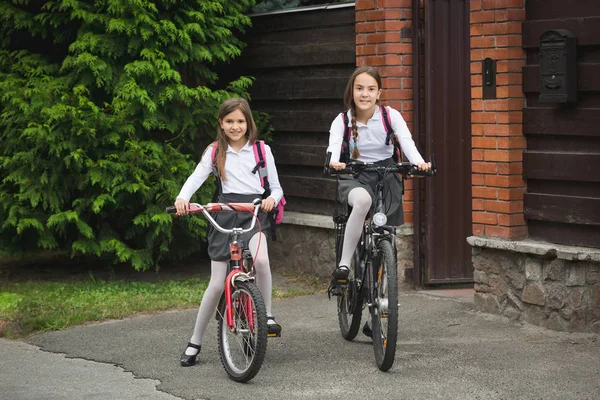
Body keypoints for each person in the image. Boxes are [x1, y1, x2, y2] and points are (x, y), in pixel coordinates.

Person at [173, 97, 283, 367]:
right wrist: (182, 198)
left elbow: (277, 188)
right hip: (224, 210)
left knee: (260, 261)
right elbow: (197, 176)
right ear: (221, 124)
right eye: (230, 121)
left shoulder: (260, 150)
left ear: (249, 123)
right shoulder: (214, 151)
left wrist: (271, 199)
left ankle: (267, 315)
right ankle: (195, 341)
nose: (235, 126)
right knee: (215, 283)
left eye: (241, 121)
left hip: (254, 212)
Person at [325, 66, 431, 335]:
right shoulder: (342, 120)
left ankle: (376, 313)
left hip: (386, 173)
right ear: (352, 91)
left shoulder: (390, 115)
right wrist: (335, 162)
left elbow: (406, 142)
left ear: (379, 93)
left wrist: (418, 163)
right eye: (360, 88)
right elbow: (334, 144)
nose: (365, 94)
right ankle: (344, 266)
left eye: (371, 89)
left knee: (387, 240)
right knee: (360, 203)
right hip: (354, 174)